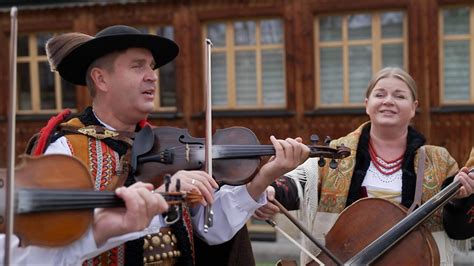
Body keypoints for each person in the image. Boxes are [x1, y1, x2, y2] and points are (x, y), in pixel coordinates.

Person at [1, 25, 310, 265]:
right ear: (101, 79)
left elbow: (209, 230)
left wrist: (261, 180)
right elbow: (51, 242)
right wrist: (159, 195)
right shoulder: (67, 151)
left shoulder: (168, 146)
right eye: (138, 66)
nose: (152, 77)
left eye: (152, 67)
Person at [254, 67, 474, 265]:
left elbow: (458, 229)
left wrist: (461, 199)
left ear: (414, 107)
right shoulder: (337, 152)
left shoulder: (440, 160)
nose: (389, 100)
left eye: (399, 96)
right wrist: (270, 191)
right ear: (367, 104)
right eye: (380, 94)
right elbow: (299, 183)